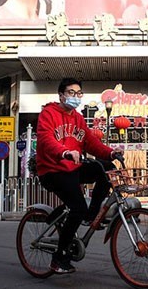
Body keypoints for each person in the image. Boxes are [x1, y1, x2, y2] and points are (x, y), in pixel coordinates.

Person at [36, 77, 124, 274]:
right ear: (61, 95)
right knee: (77, 208)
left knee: (106, 168)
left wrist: (111, 152)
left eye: (78, 93)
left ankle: (91, 216)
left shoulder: (77, 118)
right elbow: (46, 139)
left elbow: (91, 142)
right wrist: (64, 152)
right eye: (71, 93)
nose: (75, 97)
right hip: (53, 170)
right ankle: (58, 258)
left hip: (72, 168)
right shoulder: (48, 114)